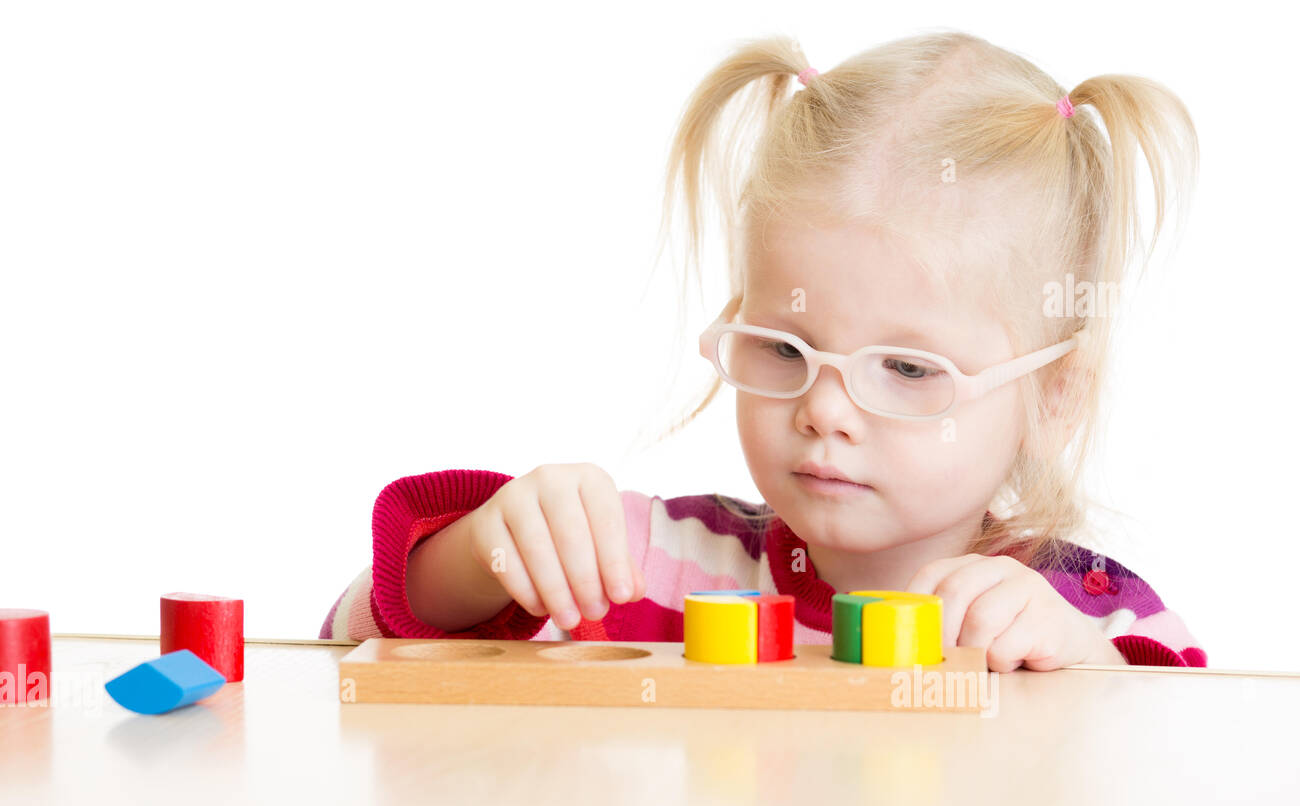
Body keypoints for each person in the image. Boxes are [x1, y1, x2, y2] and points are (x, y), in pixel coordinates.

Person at [320, 31, 1205, 671]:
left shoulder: (1092, 615)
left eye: (905, 369)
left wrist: (1087, 667)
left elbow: (1174, 767)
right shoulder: (647, 569)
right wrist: (483, 556)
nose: (824, 411)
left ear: (1054, 399)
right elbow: (347, 648)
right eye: (785, 350)